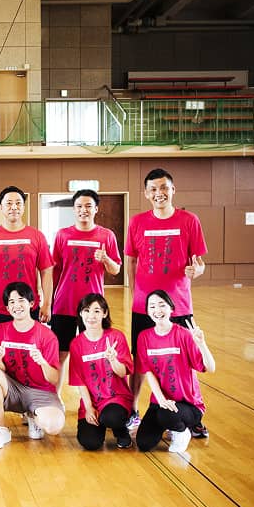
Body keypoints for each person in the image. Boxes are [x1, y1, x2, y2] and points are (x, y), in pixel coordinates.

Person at [125, 168, 208, 434]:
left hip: (179, 305)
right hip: (144, 307)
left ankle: (192, 414)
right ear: (146, 193)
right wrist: (135, 293)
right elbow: (131, 260)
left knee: (186, 359)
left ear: (173, 190)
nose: (159, 193)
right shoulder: (137, 222)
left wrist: (198, 270)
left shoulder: (189, 220)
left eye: (163, 188)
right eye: (153, 189)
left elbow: (199, 262)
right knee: (140, 360)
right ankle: (133, 410)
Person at [0, 282, 64, 449]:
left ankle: (34, 416)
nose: (16, 306)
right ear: (7, 308)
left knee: (53, 426)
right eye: (11, 302)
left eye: (21, 300)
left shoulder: (47, 335)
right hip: (14, 390)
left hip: (41, 392)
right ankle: (2, 429)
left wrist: (42, 362)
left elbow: (54, 379)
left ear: (31, 304)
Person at [135, 290, 216, 453]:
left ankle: (181, 431)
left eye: (162, 305)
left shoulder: (183, 334)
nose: (157, 310)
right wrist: (161, 399)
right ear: (148, 311)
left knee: (166, 415)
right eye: (152, 306)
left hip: (188, 404)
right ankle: (170, 424)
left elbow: (210, 368)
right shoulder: (144, 337)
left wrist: (202, 344)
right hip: (161, 402)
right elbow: (148, 372)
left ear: (171, 308)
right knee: (143, 443)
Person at [51, 189, 121, 370]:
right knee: (60, 355)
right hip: (64, 304)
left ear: (96, 209)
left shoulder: (107, 235)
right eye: (79, 206)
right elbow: (55, 271)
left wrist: (106, 259)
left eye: (88, 206)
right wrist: (49, 301)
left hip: (93, 308)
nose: (84, 210)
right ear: (74, 209)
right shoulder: (62, 235)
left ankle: (90, 389)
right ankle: (56, 390)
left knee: (91, 354)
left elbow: (116, 269)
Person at [0, 186, 53, 352]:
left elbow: (46, 271)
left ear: (24, 207)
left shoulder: (37, 236)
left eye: (18, 203)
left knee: (28, 354)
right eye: (9, 203)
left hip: (29, 307)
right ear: (1, 207)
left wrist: (47, 303)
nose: (14, 207)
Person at [68, 293, 133, 450]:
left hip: (115, 398)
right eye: (87, 310)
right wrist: (89, 408)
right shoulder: (76, 344)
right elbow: (79, 380)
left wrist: (113, 360)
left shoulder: (116, 337)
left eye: (97, 311)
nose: (91, 316)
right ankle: (101, 423)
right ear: (81, 313)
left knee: (111, 417)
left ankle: (120, 430)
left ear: (104, 313)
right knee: (90, 443)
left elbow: (123, 372)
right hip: (93, 401)